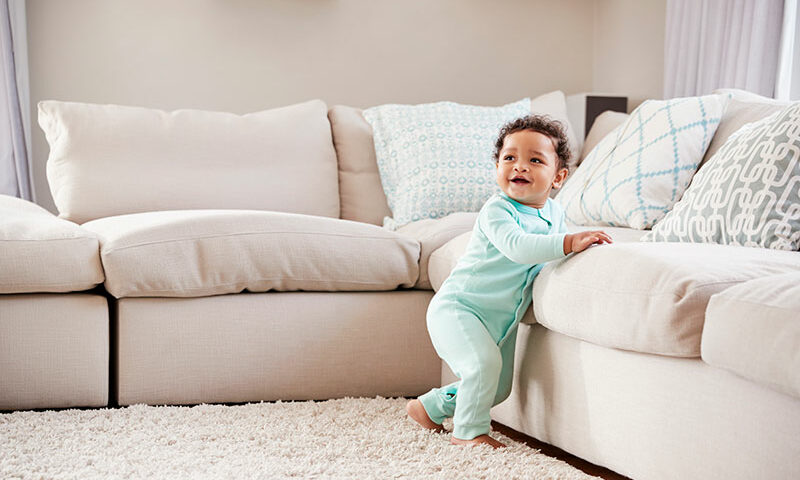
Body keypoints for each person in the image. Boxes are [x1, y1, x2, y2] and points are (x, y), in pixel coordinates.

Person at [406, 115, 612, 448]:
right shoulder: (498, 210)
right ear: (498, 166)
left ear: (558, 177)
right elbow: (519, 247)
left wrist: (582, 243)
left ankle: (428, 407)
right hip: (459, 309)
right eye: (510, 158)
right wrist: (569, 242)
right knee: (482, 366)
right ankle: (468, 433)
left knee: (498, 389)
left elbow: (555, 250)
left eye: (535, 160)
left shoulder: (556, 215)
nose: (520, 166)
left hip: (501, 322)